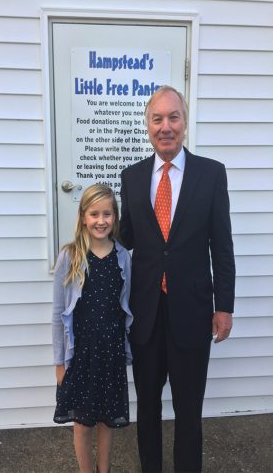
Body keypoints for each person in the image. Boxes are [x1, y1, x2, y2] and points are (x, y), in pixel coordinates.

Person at [120, 85, 235, 473]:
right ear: (147, 126)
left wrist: (224, 308)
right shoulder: (132, 178)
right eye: (157, 119)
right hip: (146, 315)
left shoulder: (211, 174)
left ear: (184, 124)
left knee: (189, 410)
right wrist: (88, 244)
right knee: (148, 407)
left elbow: (222, 246)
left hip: (192, 312)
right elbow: (126, 240)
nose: (165, 126)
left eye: (173, 117)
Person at [52, 184, 133, 473]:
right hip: (81, 355)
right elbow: (58, 314)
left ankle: (104, 470)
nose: (101, 221)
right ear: (83, 216)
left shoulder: (123, 257)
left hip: (110, 352)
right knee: (83, 422)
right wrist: (59, 362)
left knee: (106, 419)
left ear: (115, 217)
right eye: (94, 214)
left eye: (107, 214)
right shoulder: (70, 257)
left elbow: (126, 309)